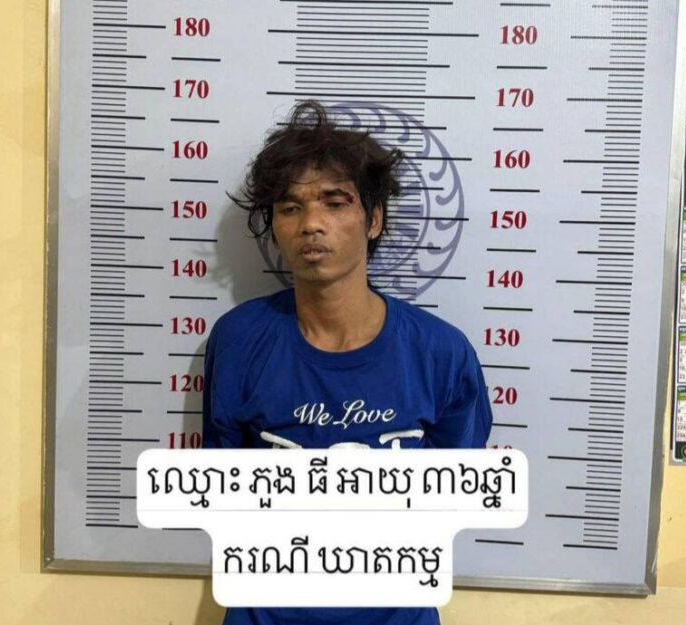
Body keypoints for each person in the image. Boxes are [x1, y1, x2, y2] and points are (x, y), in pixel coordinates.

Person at [203, 100, 493, 625]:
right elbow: (224, 484)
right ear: (274, 227)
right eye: (290, 208)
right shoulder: (239, 341)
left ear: (374, 219)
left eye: (335, 203)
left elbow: (454, 492)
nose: (312, 224)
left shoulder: (441, 353)